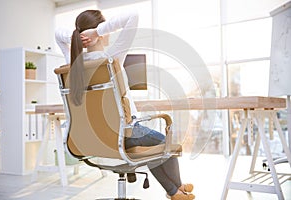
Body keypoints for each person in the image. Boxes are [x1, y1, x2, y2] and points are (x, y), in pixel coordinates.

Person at [55, 9, 195, 200]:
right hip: (124, 133)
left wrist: (78, 35)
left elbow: (57, 34)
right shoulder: (111, 56)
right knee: (166, 144)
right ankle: (176, 189)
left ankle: (176, 191)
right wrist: (97, 32)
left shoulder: (72, 62)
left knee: (152, 149)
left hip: (90, 140)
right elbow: (133, 17)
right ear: (102, 32)